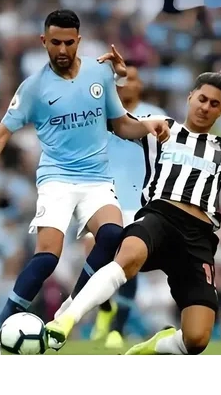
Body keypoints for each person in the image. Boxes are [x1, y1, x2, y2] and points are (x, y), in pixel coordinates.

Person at [45, 71, 221, 355]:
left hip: (198, 237)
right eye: (202, 99)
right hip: (161, 215)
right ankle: (66, 320)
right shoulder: (162, 128)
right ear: (190, 97)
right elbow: (118, 123)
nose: (206, 107)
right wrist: (107, 80)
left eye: (214, 103)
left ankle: (157, 345)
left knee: (196, 339)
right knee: (128, 256)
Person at [0, 9, 167, 355]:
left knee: (112, 235)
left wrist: (147, 125)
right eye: (56, 42)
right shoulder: (34, 88)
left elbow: (120, 125)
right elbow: (1, 134)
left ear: (79, 40)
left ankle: (71, 307)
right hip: (57, 179)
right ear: (44, 41)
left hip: (97, 178)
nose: (63, 49)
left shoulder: (100, 74)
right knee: (47, 258)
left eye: (69, 42)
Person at [55, 63, 166, 349]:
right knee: (95, 251)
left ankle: (117, 327)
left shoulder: (155, 116)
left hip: (139, 201)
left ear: (140, 86)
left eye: (134, 80)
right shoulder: (98, 114)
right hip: (102, 197)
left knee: (128, 262)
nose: (128, 84)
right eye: (123, 80)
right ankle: (105, 307)